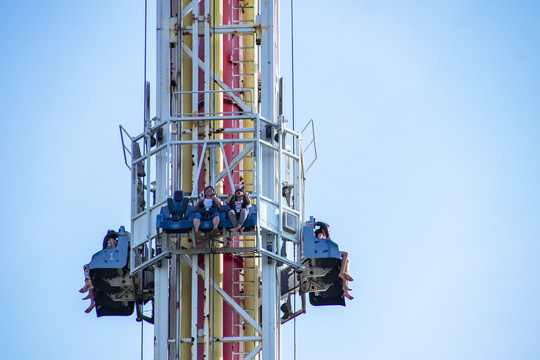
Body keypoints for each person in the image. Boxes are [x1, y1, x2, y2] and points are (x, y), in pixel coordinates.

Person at [80, 230, 118, 313]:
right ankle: (92, 297)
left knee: (88, 267)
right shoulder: (115, 240)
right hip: (108, 262)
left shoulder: (111, 239)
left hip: (110, 262)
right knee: (94, 280)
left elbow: (113, 248)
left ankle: (89, 285)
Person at [315, 224, 354, 300]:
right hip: (324, 254)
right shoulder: (320, 235)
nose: (328, 232)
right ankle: (341, 273)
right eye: (327, 230)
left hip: (328, 253)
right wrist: (327, 241)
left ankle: (345, 287)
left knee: (347, 261)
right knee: (345, 254)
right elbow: (319, 244)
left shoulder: (325, 237)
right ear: (323, 229)